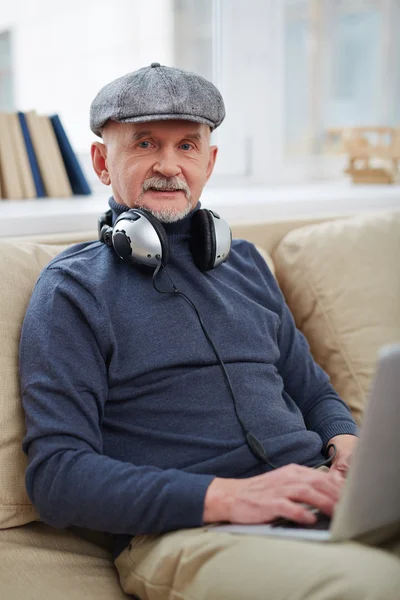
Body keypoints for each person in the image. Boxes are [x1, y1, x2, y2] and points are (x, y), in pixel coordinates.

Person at [19, 63, 400, 600]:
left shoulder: (245, 264)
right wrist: (228, 497)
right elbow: (58, 477)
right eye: (146, 144)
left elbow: (310, 389)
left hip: (315, 499)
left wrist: (346, 442)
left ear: (210, 161)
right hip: (194, 531)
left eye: (188, 146)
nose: (169, 166)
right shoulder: (72, 290)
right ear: (103, 162)